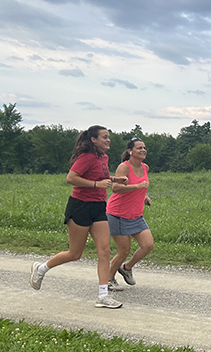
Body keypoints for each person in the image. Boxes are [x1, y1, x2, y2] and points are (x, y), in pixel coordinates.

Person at [30, 125, 128, 308]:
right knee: (75, 254)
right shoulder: (86, 157)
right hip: (80, 206)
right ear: (93, 140)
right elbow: (71, 178)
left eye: (109, 137)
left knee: (104, 250)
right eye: (104, 137)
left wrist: (115, 179)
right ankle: (41, 268)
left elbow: (101, 176)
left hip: (98, 207)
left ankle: (103, 296)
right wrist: (96, 185)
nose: (108, 140)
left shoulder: (103, 157)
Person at [106, 138, 154, 291]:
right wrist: (137, 186)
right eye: (139, 148)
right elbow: (116, 188)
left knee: (148, 245)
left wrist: (144, 195)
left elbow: (141, 185)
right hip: (118, 214)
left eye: (144, 148)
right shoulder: (124, 167)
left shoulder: (145, 167)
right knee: (124, 250)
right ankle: (108, 279)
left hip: (135, 215)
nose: (143, 150)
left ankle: (126, 268)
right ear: (130, 151)